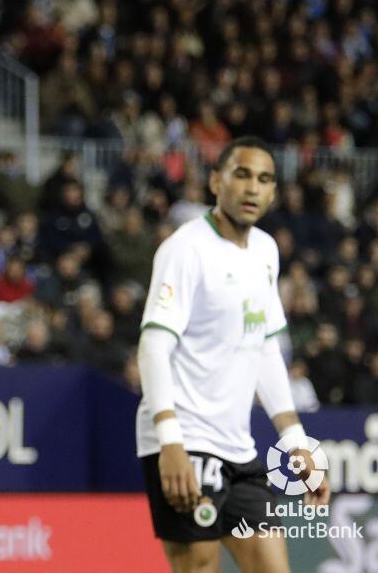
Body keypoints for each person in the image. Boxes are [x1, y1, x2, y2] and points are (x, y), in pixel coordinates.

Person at [135, 137, 330, 573]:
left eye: (264, 179)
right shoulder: (185, 249)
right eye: (241, 174)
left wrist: (297, 443)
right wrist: (170, 443)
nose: (252, 188)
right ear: (216, 181)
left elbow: (263, 348)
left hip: (238, 449)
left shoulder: (265, 251)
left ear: (274, 193)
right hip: (184, 441)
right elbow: (153, 345)